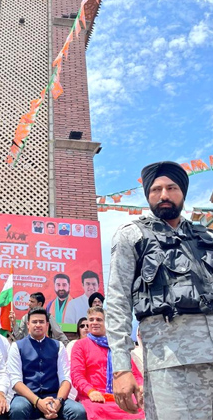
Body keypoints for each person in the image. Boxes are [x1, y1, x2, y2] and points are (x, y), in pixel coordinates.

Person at [107, 160, 213, 420]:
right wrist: (121, 369)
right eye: (156, 190)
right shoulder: (132, 235)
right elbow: (118, 301)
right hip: (169, 364)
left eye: (171, 187)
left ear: (183, 193)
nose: (164, 195)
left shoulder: (207, 238)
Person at [6, 308, 86, 420]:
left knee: (78, 411)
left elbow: (66, 379)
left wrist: (58, 402)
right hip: (27, 398)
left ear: (47, 325)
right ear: (28, 324)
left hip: (54, 397)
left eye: (41, 322)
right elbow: (16, 381)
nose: (38, 325)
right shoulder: (17, 347)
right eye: (34, 322)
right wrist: (38, 402)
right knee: (18, 409)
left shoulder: (58, 346)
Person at [71, 307, 144, 419]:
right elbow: (77, 376)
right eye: (91, 320)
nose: (94, 323)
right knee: (96, 412)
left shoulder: (116, 346)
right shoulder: (80, 345)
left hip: (120, 396)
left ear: (107, 323)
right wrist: (90, 392)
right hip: (93, 398)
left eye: (99, 320)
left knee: (138, 409)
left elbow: (133, 373)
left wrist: (140, 386)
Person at [64, 317, 90, 401]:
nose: (85, 328)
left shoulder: (97, 345)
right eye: (82, 326)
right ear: (78, 330)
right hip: (75, 382)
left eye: (88, 325)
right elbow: (68, 366)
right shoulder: (72, 344)